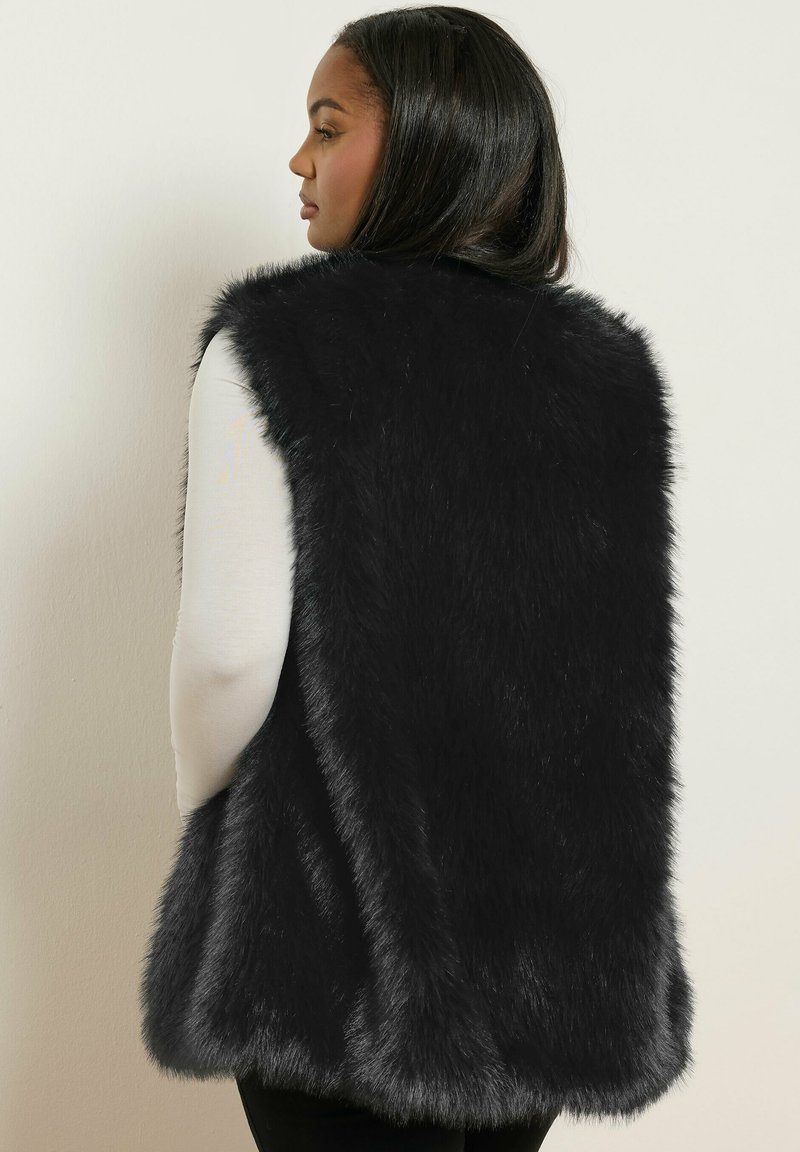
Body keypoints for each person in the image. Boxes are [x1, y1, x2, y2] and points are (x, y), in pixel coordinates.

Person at [140, 7, 694, 1150]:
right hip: (552, 953)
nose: (298, 161)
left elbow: (228, 653)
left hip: (336, 944)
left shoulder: (277, 347)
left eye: (327, 125)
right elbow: (617, 691)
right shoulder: (604, 376)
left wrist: (211, 818)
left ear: (429, 143)